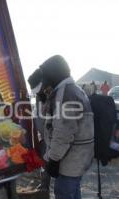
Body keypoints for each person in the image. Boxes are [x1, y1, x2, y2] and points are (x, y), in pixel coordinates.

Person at [39, 55, 94, 199]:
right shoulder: (73, 89)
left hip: (69, 160)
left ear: (54, 73)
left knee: (64, 193)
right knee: (73, 192)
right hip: (78, 158)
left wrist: (54, 159)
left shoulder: (65, 94)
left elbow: (63, 132)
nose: (43, 80)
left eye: (45, 75)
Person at [27, 69, 51, 191]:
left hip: (51, 138)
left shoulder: (53, 96)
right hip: (44, 137)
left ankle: (45, 184)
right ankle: (44, 184)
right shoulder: (39, 97)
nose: (38, 92)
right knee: (44, 162)